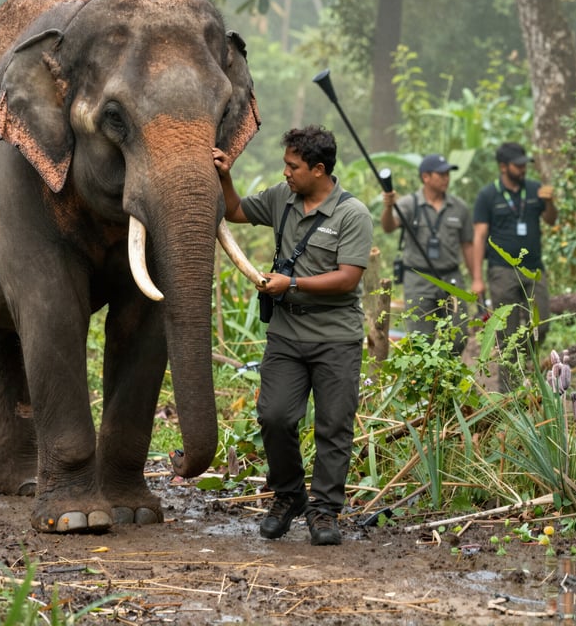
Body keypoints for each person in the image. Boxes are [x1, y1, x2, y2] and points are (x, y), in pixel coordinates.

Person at [213, 125, 373, 546]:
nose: (286, 172)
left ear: (319, 170)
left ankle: (324, 511)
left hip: (336, 338)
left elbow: (348, 279)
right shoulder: (282, 198)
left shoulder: (351, 214)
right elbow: (235, 212)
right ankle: (288, 495)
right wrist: (225, 176)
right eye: (286, 164)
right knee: (275, 415)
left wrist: (294, 284)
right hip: (286, 335)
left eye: (293, 166)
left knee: (333, 425)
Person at [472, 142, 557, 392]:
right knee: (505, 332)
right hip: (501, 271)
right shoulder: (488, 195)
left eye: (524, 165)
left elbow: (551, 220)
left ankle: (524, 361)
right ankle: (508, 394)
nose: (523, 169)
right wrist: (477, 277)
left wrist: (550, 202)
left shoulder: (534, 189)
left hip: (533, 269)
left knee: (543, 322)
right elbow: (479, 236)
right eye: (517, 165)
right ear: (503, 167)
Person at [380, 154, 475, 355]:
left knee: (458, 337)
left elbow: (468, 244)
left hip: (451, 278)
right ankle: (428, 383)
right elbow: (388, 227)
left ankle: (448, 380)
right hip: (419, 280)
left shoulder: (459, 207)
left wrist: (476, 279)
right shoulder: (409, 203)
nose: (446, 178)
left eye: (448, 174)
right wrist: (388, 206)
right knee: (421, 341)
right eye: (441, 174)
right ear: (426, 177)